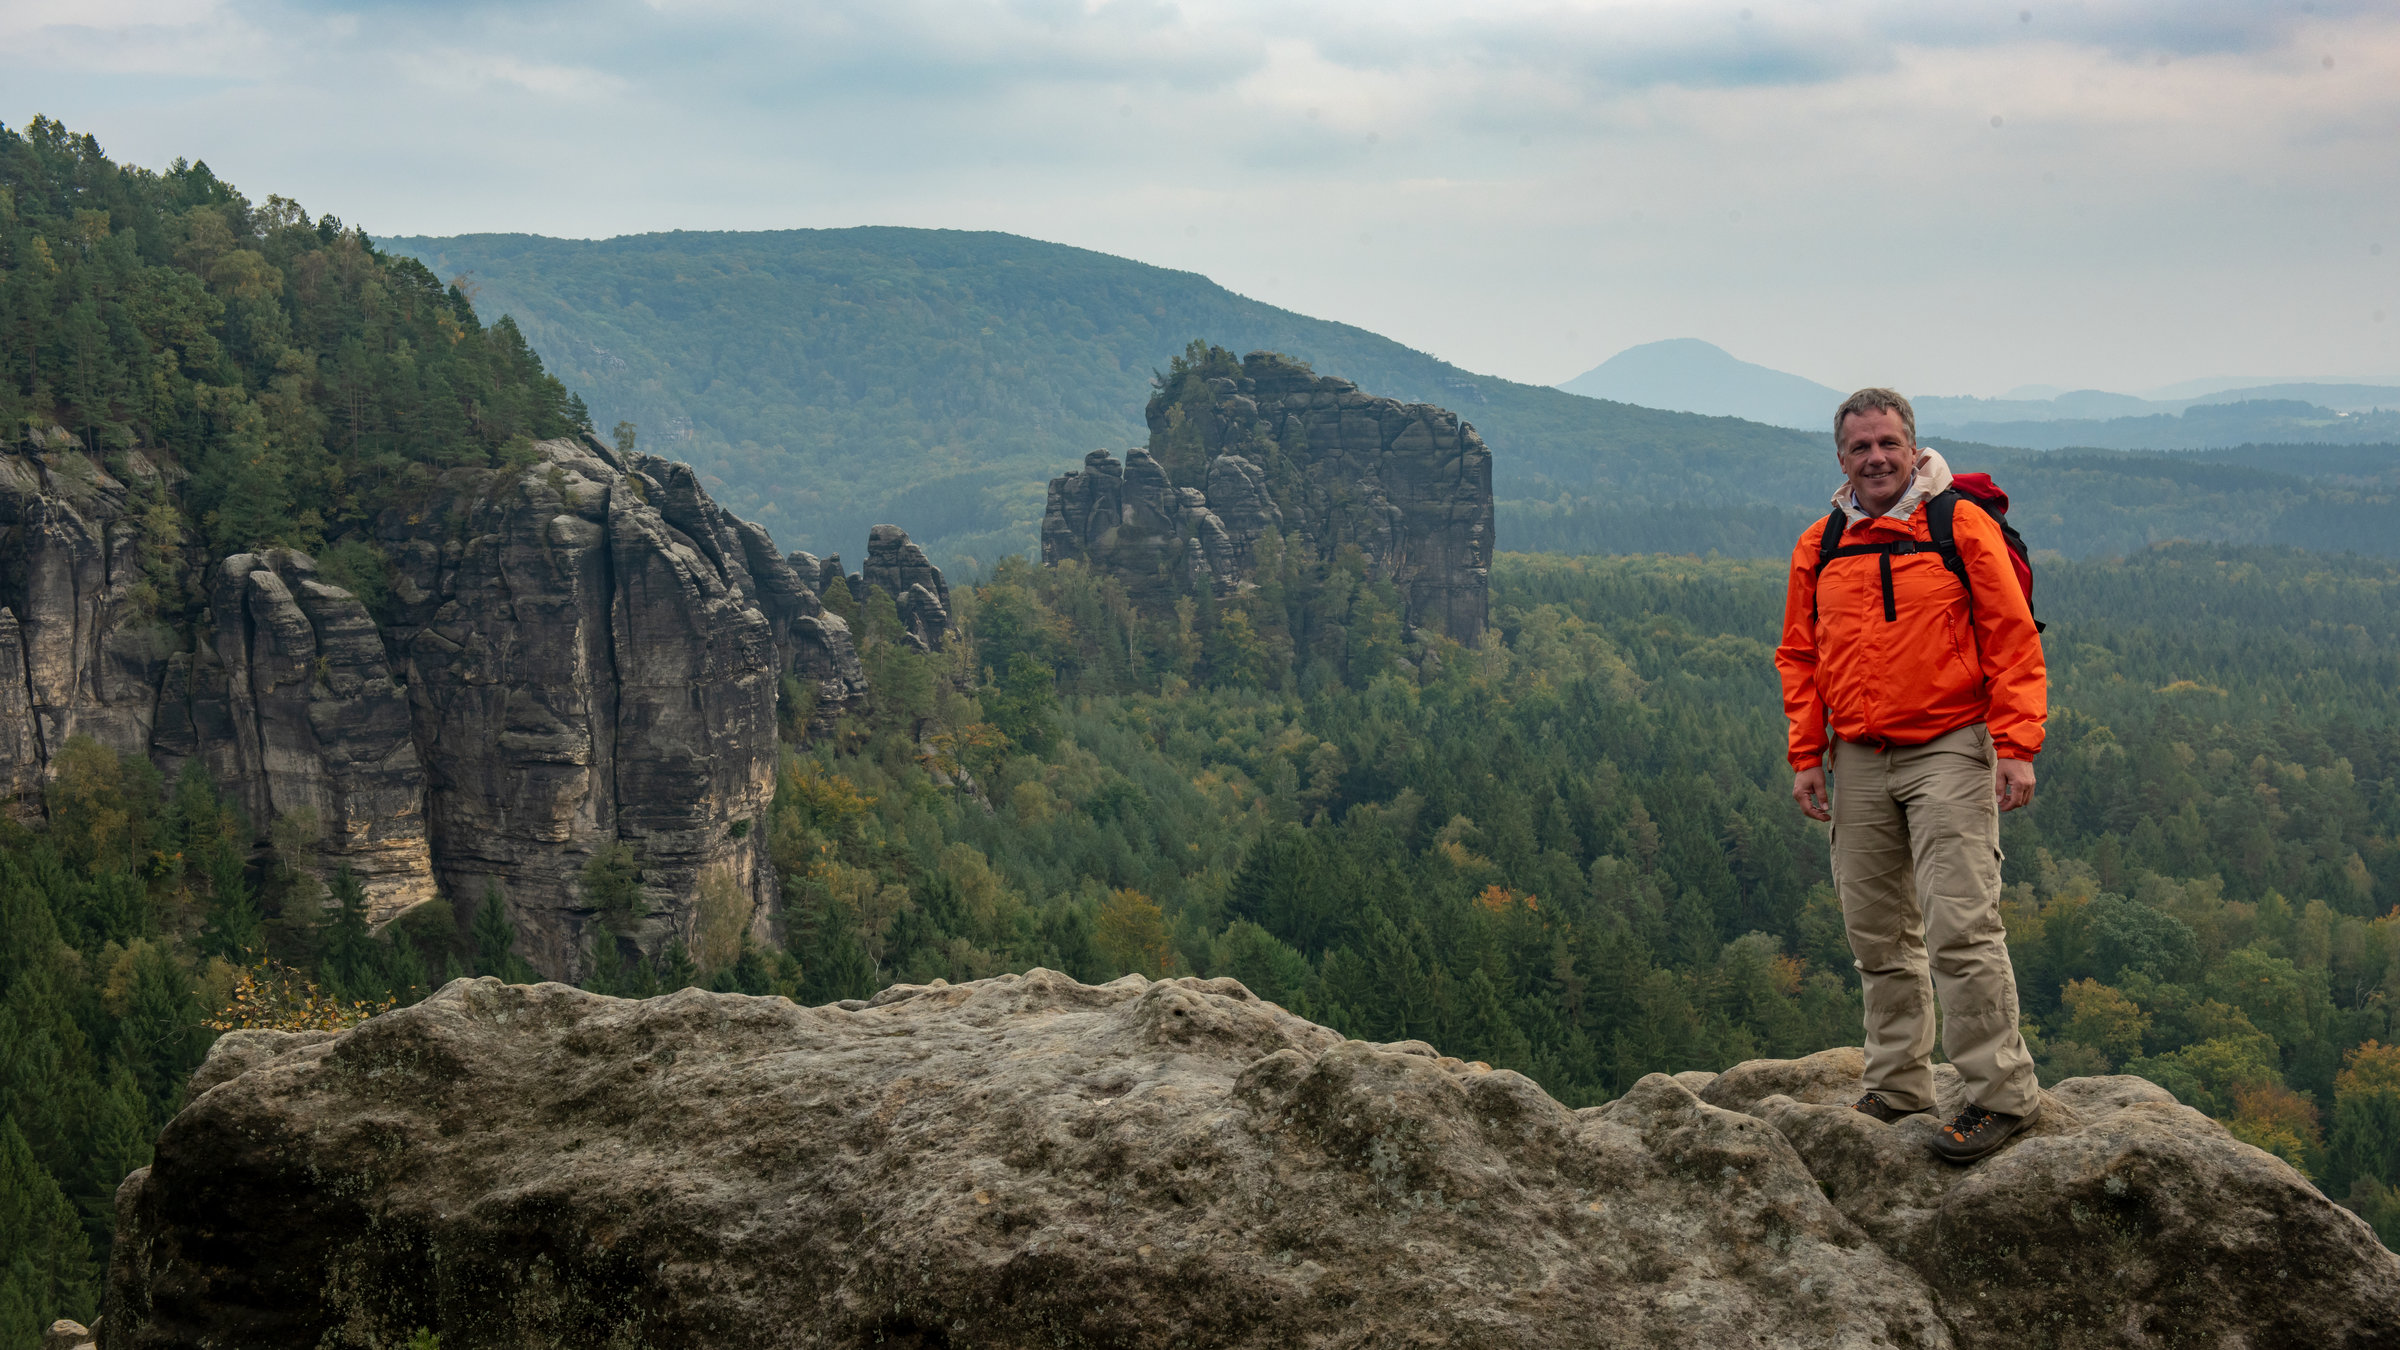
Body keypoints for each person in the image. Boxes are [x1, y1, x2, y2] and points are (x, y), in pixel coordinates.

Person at [1775, 387, 2047, 1163]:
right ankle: (1898, 1085)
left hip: (1950, 746)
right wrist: (1807, 755)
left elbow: (2011, 634)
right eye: (1861, 448)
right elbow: (1799, 656)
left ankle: (1999, 1097)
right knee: (1877, 932)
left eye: (1888, 443)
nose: (1876, 459)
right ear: (1841, 459)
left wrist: (2017, 742)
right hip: (1857, 757)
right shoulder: (1820, 544)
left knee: (1961, 925)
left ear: (1913, 446)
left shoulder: (1957, 525)